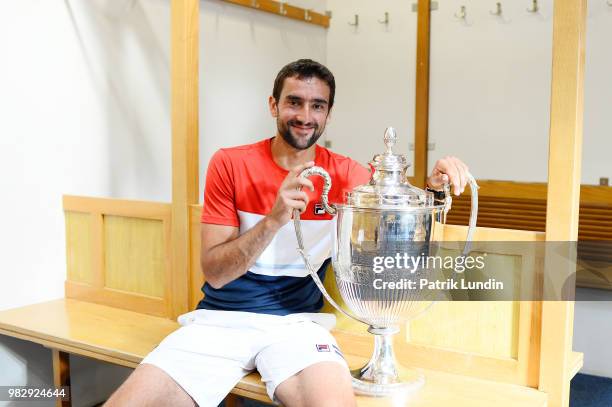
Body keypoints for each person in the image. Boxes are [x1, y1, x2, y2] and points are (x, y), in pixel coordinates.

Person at [105, 59, 470, 407]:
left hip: (298, 326)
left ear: (328, 113)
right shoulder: (230, 164)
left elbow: (396, 230)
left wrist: (435, 189)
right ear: (273, 105)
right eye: (294, 102)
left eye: (317, 106)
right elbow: (215, 274)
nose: (305, 116)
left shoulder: (347, 176)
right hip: (220, 321)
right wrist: (274, 219)